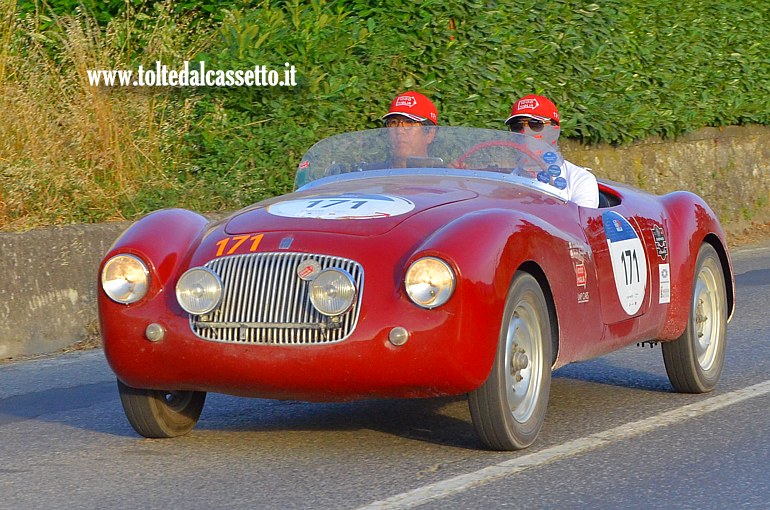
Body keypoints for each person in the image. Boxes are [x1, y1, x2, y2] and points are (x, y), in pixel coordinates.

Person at [505, 94, 599, 208]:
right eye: (517, 126)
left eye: (535, 124)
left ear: (554, 128)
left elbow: (580, 223)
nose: (525, 131)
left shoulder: (580, 180)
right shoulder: (506, 181)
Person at [380, 91, 439, 168]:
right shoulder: (373, 175)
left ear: (430, 134)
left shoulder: (441, 177)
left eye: (409, 123)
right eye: (393, 123)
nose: (399, 130)